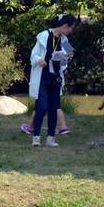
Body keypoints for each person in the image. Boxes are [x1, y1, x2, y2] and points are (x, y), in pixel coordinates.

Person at [27, 14, 76, 147]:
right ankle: (36, 137)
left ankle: (51, 138)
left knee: (54, 107)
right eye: (71, 28)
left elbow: (69, 56)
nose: (71, 31)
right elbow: (34, 54)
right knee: (42, 107)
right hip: (43, 76)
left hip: (56, 77)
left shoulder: (64, 40)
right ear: (65, 26)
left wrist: (67, 57)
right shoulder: (44, 35)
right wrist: (39, 60)